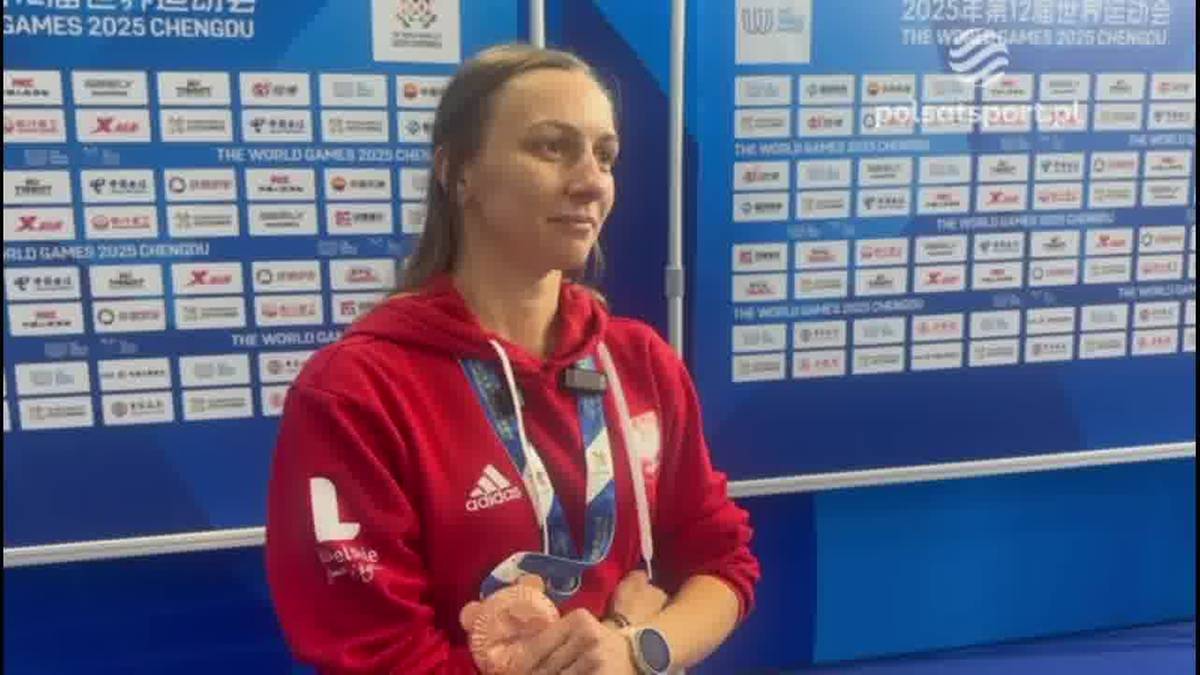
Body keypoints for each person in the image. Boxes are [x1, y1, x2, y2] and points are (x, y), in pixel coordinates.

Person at [265, 43, 760, 674]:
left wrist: (637, 651)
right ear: (457, 172)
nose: (591, 182)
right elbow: (377, 656)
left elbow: (721, 562)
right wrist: (613, 637)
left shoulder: (638, 361)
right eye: (551, 147)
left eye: (605, 155)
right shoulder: (356, 392)